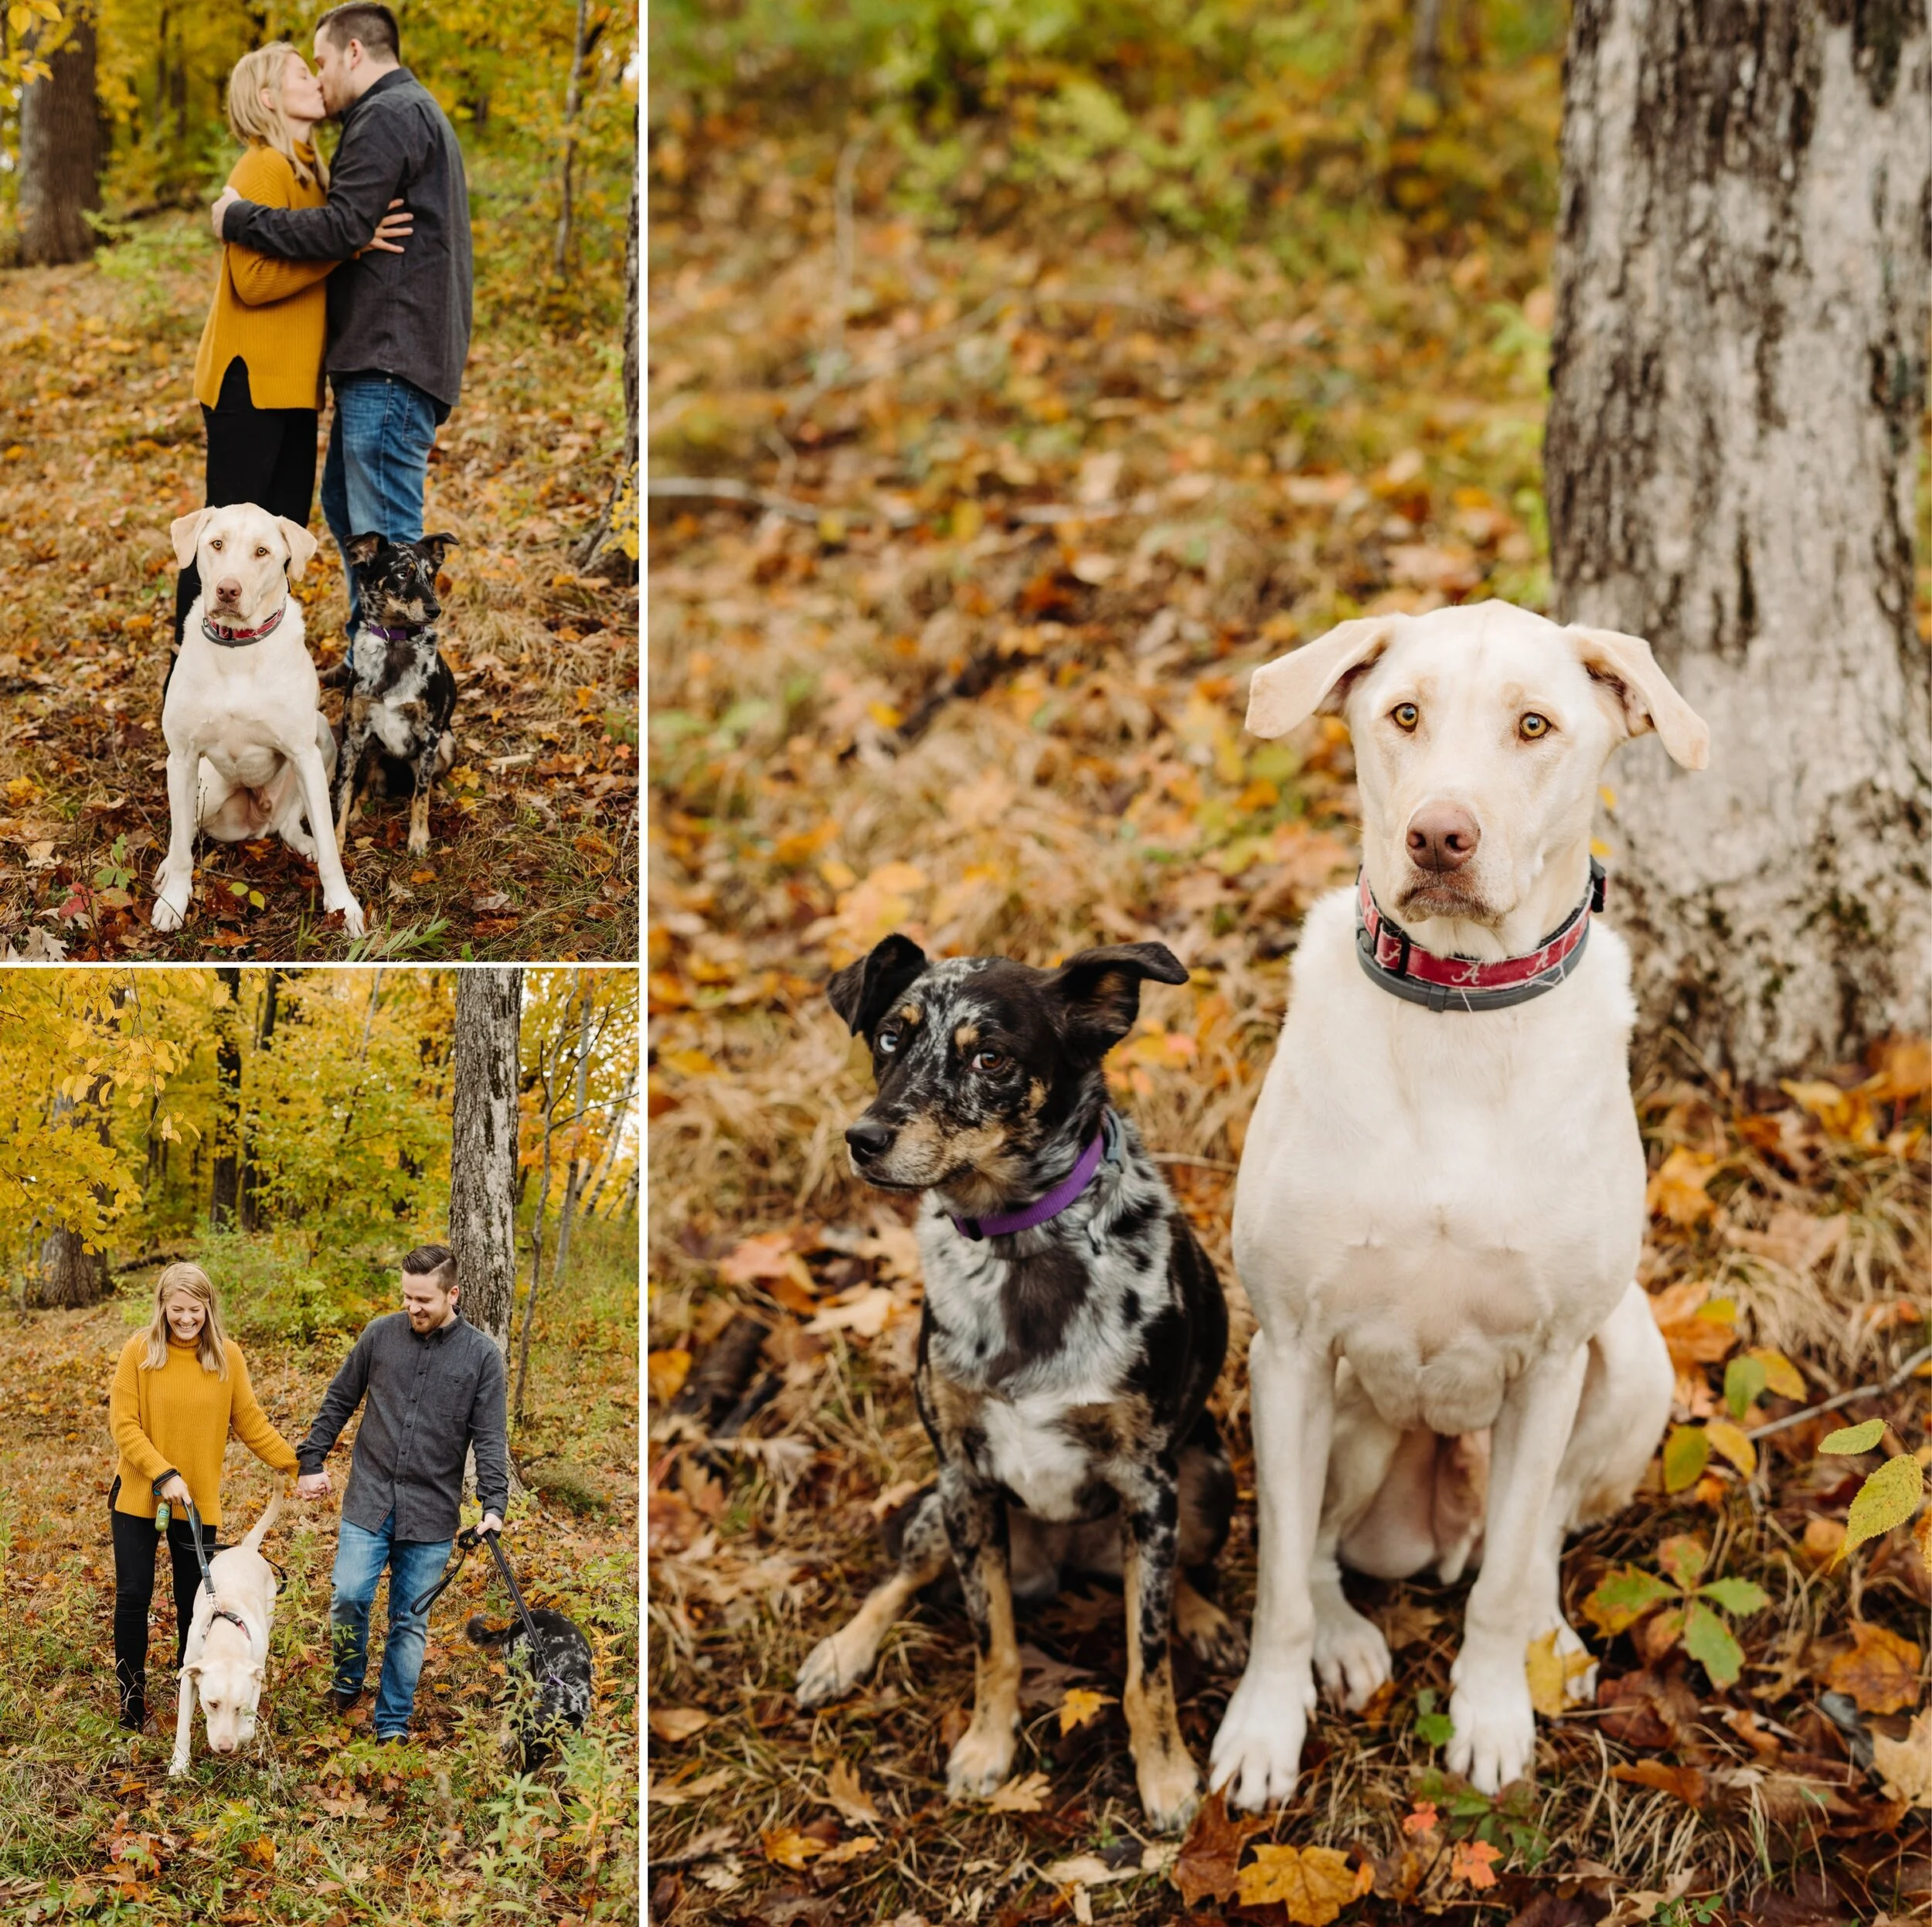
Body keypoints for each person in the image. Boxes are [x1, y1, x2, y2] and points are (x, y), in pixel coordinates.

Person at [209, 2, 474, 638]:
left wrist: (236, 217)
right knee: (352, 516)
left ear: (355, 53)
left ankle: (395, 687)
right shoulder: (393, 116)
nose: (321, 79)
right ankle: (371, 662)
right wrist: (346, 243)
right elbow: (341, 236)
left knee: (382, 535)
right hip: (378, 358)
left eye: (321, 62)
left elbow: (344, 227)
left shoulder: (384, 114)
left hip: (389, 357)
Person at [174, 42, 410, 655]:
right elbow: (253, 284)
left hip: (292, 387)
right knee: (222, 539)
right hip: (246, 382)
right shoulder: (263, 168)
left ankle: (257, 676)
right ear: (269, 98)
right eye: (302, 74)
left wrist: (343, 241)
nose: (317, 79)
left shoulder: (309, 170)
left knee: (273, 544)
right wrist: (348, 245)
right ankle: (188, 675)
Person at [296, 1244, 508, 1743]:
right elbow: (340, 1398)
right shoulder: (380, 1334)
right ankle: (348, 1679)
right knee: (348, 1595)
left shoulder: (482, 1356)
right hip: (369, 1497)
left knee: (409, 1622)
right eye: (407, 1297)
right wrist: (312, 1457)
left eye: (424, 1300)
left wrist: (493, 1505)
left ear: (453, 1293)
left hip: (432, 1511)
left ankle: (391, 1723)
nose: (413, 1307)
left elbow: (491, 1438)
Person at [107, 1264, 301, 1733]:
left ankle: (193, 1697)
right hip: (138, 1498)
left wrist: (295, 1465)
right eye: (177, 1311)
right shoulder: (139, 1352)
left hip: (197, 1506)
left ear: (209, 1308)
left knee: (193, 1605)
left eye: (195, 1310)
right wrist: (162, 1473)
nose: (187, 1320)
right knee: (134, 1597)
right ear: (162, 1307)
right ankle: (132, 1703)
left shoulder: (226, 1357)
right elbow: (124, 1425)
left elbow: (249, 1420)